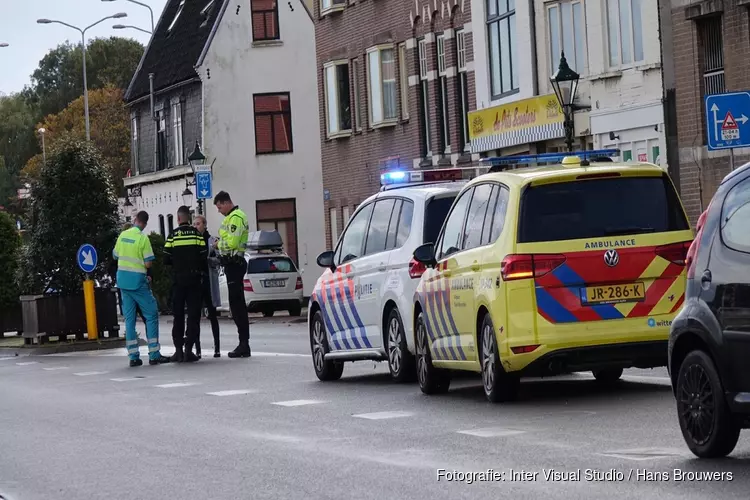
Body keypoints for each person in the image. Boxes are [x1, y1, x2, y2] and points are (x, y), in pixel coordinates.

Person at [112, 211, 171, 367]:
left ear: (134, 220)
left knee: (129, 320)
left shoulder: (123, 235)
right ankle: (154, 354)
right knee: (151, 314)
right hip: (138, 283)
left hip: (123, 282)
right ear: (144, 223)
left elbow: (115, 255)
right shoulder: (143, 238)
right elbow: (148, 264)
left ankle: (133, 357)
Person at [163, 206, 207, 363]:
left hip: (179, 280)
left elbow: (166, 259)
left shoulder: (173, 236)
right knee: (193, 316)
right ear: (188, 218)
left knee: (178, 316)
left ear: (178, 218)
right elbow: (204, 256)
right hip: (194, 280)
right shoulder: (197, 235)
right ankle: (189, 350)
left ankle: (178, 351)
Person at [213, 191, 251, 358]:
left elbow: (232, 242)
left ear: (226, 202)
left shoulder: (236, 217)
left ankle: (244, 344)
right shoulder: (229, 218)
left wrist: (218, 245)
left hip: (234, 263)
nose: (219, 210)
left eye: (219, 206)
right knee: (236, 305)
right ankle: (243, 343)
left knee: (238, 306)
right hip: (231, 264)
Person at [193, 214, 222, 358]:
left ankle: (217, 348)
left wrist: (210, 259)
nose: (196, 226)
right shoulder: (192, 241)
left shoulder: (211, 240)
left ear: (204, 225)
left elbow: (218, 259)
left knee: (212, 315)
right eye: (194, 224)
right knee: (196, 315)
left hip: (209, 281)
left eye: (198, 224)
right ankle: (197, 349)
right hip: (197, 282)